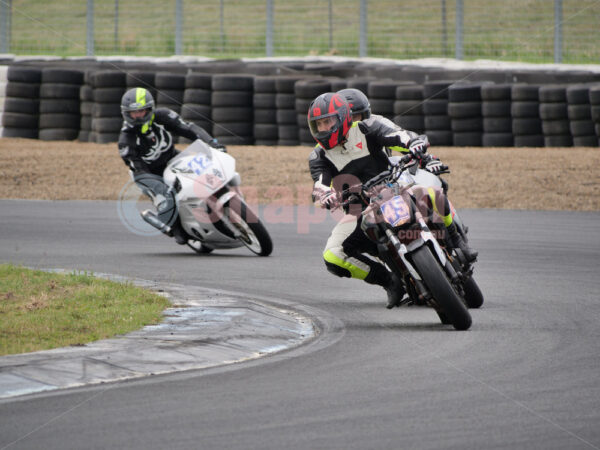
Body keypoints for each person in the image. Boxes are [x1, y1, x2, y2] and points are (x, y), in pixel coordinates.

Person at [307, 92, 477, 309]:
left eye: (327, 122)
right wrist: (324, 195)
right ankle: (390, 282)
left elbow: (399, 136)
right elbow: (320, 183)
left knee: (431, 193)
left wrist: (413, 143)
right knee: (332, 255)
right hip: (361, 210)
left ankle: (458, 242)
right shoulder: (318, 156)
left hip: (396, 189)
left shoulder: (368, 127)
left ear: (342, 118)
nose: (323, 129)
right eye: (318, 124)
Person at [118, 87, 226, 245]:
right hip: (148, 172)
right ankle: (174, 228)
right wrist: (159, 185)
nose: (138, 116)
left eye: (142, 111)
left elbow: (189, 129)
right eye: (133, 113)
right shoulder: (126, 140)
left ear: (150, 108)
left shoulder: (163, 116)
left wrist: (212, 143)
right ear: (126, 114)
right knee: (167, 199)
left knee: (204, 169)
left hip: (172, 157)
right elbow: (139, 169)